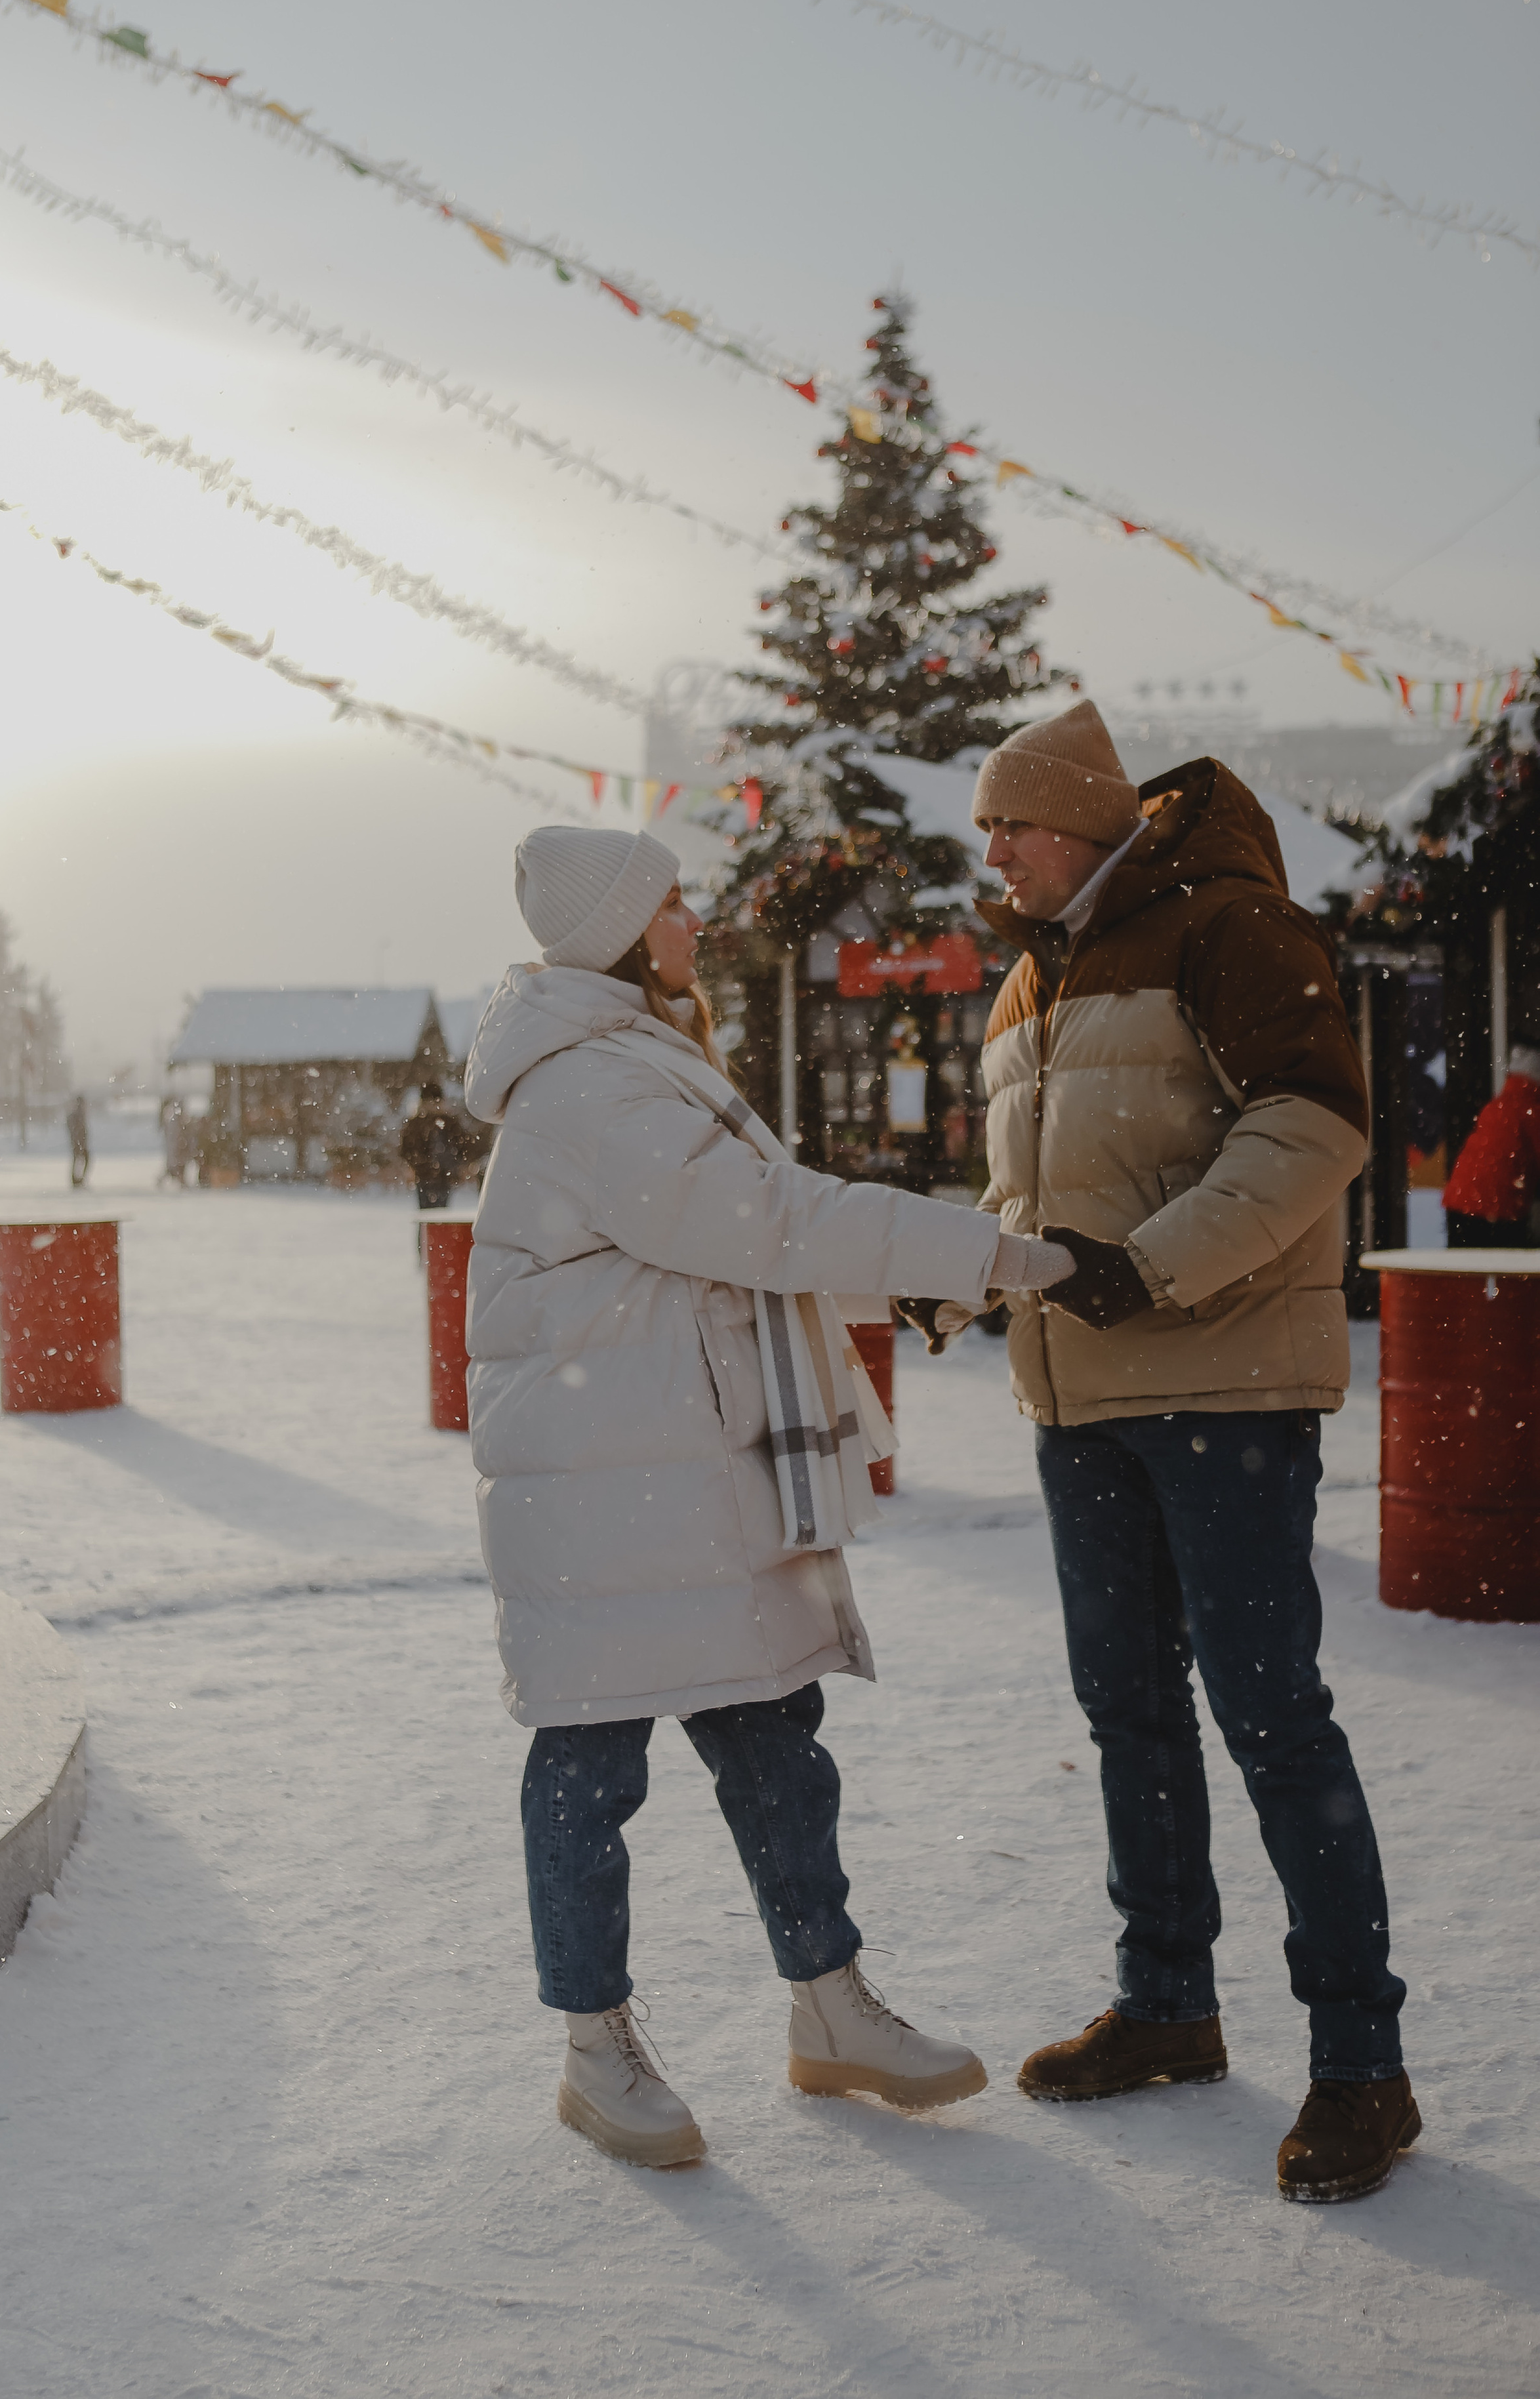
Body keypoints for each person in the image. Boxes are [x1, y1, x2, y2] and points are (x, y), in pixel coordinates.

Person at [464, 824, 1074, 2170]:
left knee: (776, 1752)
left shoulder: (636, 1058)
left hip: (684, 1474)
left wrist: (916, 1275)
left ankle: (827, 2005)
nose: (695, 917)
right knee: (586, 1767)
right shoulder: (590, 1088)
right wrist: (992, 1255)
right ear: (625, 935)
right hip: (603, 1494)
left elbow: (727, 1255)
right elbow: (768, 1223)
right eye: (673, 902)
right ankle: (593, 2046)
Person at [909, 700, 1417, 2205]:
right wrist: (965, 1264)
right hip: (1076, 1401)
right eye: (982, 826)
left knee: (1270, 1715)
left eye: (1010, 821)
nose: (989, 849)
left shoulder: (1230, 929)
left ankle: (1359, 2063)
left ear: (1088, 815)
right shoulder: (1023, 981)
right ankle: (1167, 2000)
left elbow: (1313, 1125)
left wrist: (1146, 1266)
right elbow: (1033, 1189)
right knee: (1127, 1709)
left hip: (1222, 1384)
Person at [1441, 1029, 1540, 1247]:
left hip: (1462, 1201)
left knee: (1465, 1275)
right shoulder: (1531, 1110)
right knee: (1511, 1274)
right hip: (1497, 1207)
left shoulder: (1500, 1103)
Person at [66, 1092, 91, 1189]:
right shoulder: (77, 1115)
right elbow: (76, 1129)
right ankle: (77, 1179)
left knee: (79, 1160)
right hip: (79, 1142)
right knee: (80, 1160)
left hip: (79, 1142)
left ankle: (77, 1179)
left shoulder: (78, 1114)